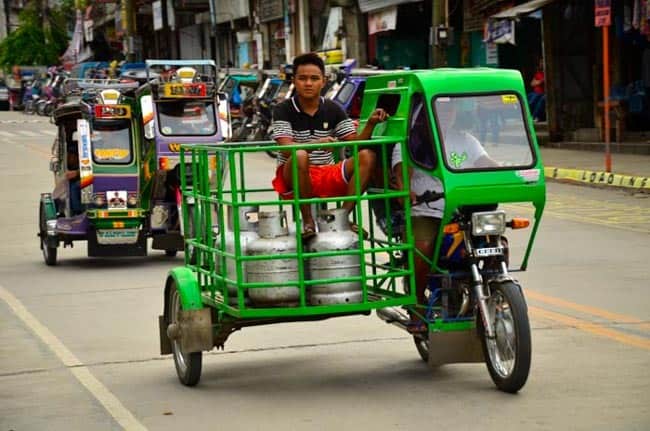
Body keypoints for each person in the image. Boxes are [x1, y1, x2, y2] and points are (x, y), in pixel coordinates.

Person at [271, 52, 388, 239]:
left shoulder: (333, 108)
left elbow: (354, 142)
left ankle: (341, 216)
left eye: (314, 78)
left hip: (325, 171)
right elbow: (286, 147)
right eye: (302, 78)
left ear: (323, 81)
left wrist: (372, 123)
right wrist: (317, 143)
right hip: (293, 173)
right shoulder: (283, 109)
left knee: (367, 155)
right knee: (300, 155)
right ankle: (308, 221)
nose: (308, 83)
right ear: (294, 80)